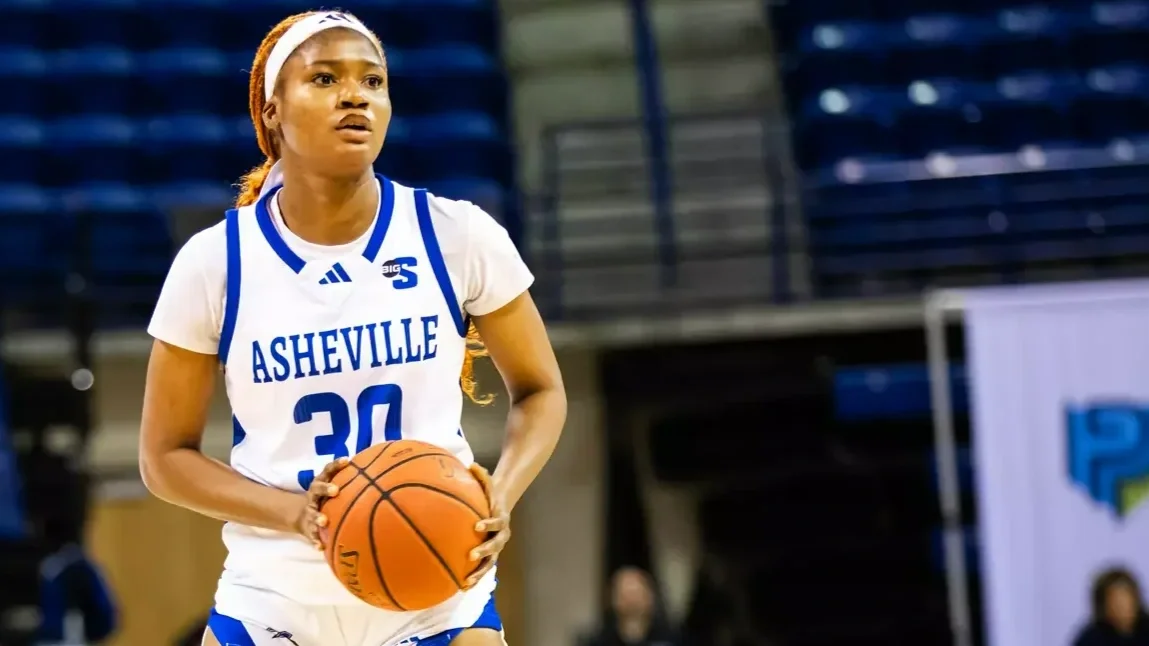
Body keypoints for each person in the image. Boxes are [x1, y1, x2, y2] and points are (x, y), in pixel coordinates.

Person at [138, 10, 566, 646]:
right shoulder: (215, 262)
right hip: (275, 597)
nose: (354, 97)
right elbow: (162, 458)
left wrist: (499, 495)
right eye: (325, 79)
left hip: (439, 593)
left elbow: (542, 391)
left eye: (373, 81)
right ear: (272, 110)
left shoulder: (456, 234)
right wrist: (297, 514)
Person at [581, 567, 680, 646]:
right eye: (625, 595)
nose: (632, 602)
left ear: (650, 598)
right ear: (613, 600)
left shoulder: (672, 639)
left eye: (637, 594)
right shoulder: (598, 641)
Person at [1072, 567, 1149, 646]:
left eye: (1126, 600)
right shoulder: (1090, 639)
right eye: (1116, 603)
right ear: (1103, 607)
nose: (1122, 608)